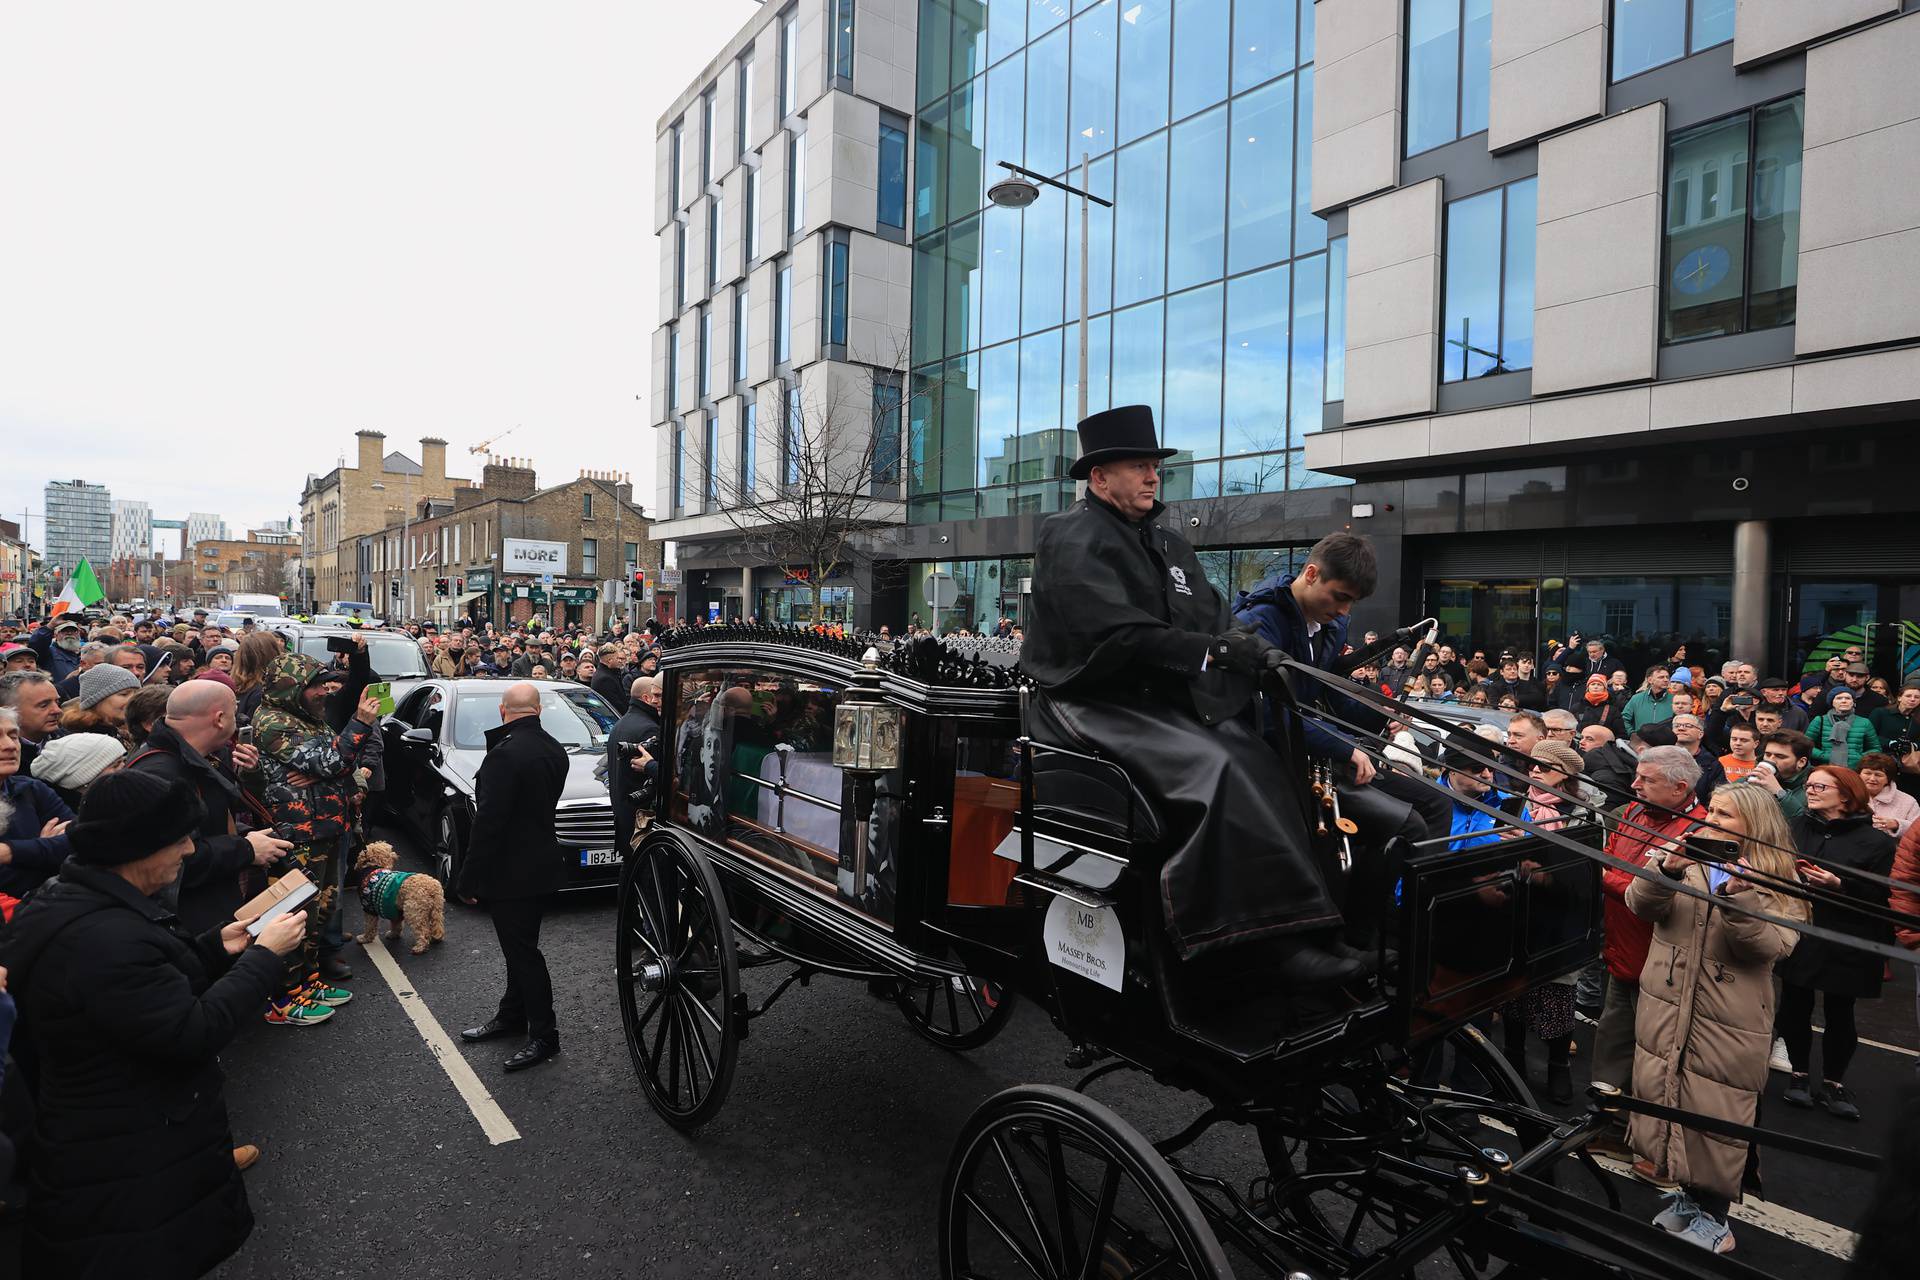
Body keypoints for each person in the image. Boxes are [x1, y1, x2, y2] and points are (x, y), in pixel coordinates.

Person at [1021, 405, 1359, 983]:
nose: (1153, 476)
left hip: (1155, 699)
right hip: (1087, 698)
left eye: (1154, 465)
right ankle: (1246, 943)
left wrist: (1251, 650)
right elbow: (1110, 631)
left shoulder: (1171, 544)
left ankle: (1299, 926)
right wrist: (1216, 653)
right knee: (1218, 766)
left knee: (1257, 752)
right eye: (1138, 466)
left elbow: (1216, 616)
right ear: (1099, 477)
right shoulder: (1070, 534)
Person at [0, 770, 308, 1280]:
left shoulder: (73, 898)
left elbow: (142, 996)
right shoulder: (103, 937)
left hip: (111, 1135)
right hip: (126, 1157)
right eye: (180, 838)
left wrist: (214, 946)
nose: (189, 849)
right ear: (140, 846)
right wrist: (265, 958)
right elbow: (189, 1033)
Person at [1625, 782, 1806, 1255]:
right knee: (1669, 1096)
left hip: (1729, 1018)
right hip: (1668, 1004)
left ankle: (1717, 1219)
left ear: (1755, 824)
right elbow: (1639, 906)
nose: (1712, 820)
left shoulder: (1780, 876)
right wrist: (1663, 869)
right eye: (1713, 810)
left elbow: (1771, 948)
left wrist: (1741, 896)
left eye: (1726, 815)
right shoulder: (1684, 855)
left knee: (1718, 1114)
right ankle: (1688, 1199)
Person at [1586, 746, 1704, 1161]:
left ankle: (1649, 1140)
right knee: (1613, 1040)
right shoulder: (1633, 814)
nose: (1634, 785)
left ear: (1680, 787)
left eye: (1646, 780)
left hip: (1662, 965)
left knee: (1653, 1055)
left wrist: (1605, 880)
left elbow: (1662, 898)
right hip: (1621, 951)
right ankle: (1608, 1123)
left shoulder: (1698, 833)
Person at [248, 654, 378, 1025]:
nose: (325, 691)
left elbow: (340, 765)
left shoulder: (308, 718)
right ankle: (284, 998)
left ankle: (307, 981)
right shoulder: (273, 721)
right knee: (292, 916)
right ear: (293, 688)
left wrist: (329, 772)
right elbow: (332, 763)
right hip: (300, 832)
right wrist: (359, 725)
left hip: (327, 825)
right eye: (316, 685)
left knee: (319, 911)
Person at [458, 683, 570, 1070]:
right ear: (538, 711)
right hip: (540, 863)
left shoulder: (505, 756)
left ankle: (544, 1035)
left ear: (503, 711)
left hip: (511, 871)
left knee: (523, 955)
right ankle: (511, 1016)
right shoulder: (554, 748)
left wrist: (469, 878)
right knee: (519, 949)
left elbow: (488, 824)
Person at [1775, 765, 1896, 1120]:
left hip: (1849, 936)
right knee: (1794, 1005)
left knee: (1840, 1012)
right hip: (1803, 930)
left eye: (1819, 787)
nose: (1809, 791)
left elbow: (1885, 895)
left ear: (1845, 794)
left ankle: (1833, 1082)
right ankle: (1798, 1074)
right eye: (1809, 785)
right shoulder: (1796, 828)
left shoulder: (1877, 842)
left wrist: (1840, 885)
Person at [130, 681, 293, 933]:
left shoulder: (198, 758)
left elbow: (210, 821)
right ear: (219, 719)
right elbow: (171, 862)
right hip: (190, 924)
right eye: (234, 712)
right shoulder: (162, 774)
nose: (238, 720)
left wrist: (245, 834)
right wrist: (246, 849)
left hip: (211, 905)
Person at [0, 707, 75, 899]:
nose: (10, 745)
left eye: (13, 735)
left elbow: (80, 842)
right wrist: (45, 851)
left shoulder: (32, 789)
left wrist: (10, 852)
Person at [608, 674, 662, 857]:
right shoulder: (650, 729)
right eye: (655, 696)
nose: (657, 701)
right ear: (646, 698)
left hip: (623, 816)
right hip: (640, 820)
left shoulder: (619, 724)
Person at [26, 733, 124, 810]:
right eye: (115, 765)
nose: (124, 768)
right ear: (85, 777)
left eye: (124, 761)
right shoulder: (73, 824)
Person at [60, 664, 141, 749]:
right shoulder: (81, 743)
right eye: (124, 694)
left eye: (136, 694)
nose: (133, 699)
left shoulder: (118, 733)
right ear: (97, 700)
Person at [0, 670, 64, 775]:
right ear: (8, 710)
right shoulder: (7, 762)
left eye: (57, 702)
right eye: (44, 705)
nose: (57, 710)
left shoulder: (71, 744)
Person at [1808, 689, 1880, 770]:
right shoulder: (1820, 720)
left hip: (1855, 770)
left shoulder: (1864, 722)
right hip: (1826, 769)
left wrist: (1859, 758)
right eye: (1839, 698)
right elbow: (1805, 745)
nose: (1844, 701)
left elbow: (1876, 749)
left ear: (1853, 702)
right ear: (1832, 702)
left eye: (1848, 698)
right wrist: (1823, 755)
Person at [1859, 751, 1919, 839]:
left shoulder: (1907, 801)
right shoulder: (1847, 796)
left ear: (1888, 779)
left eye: (1878, 775)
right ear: (1859, 774)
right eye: (1867, 773)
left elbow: (1917, 830)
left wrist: (1897, 824)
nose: (1872, 779)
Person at [1621, 665, 1675, 736]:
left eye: (1667, 677)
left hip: (1666, 744)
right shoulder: (1636, 698)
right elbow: (1624, 719)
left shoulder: (1675, 700)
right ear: (1650, 680)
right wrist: (1632, 733)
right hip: (1642, 743)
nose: (1666, 680)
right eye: (1661, 677)